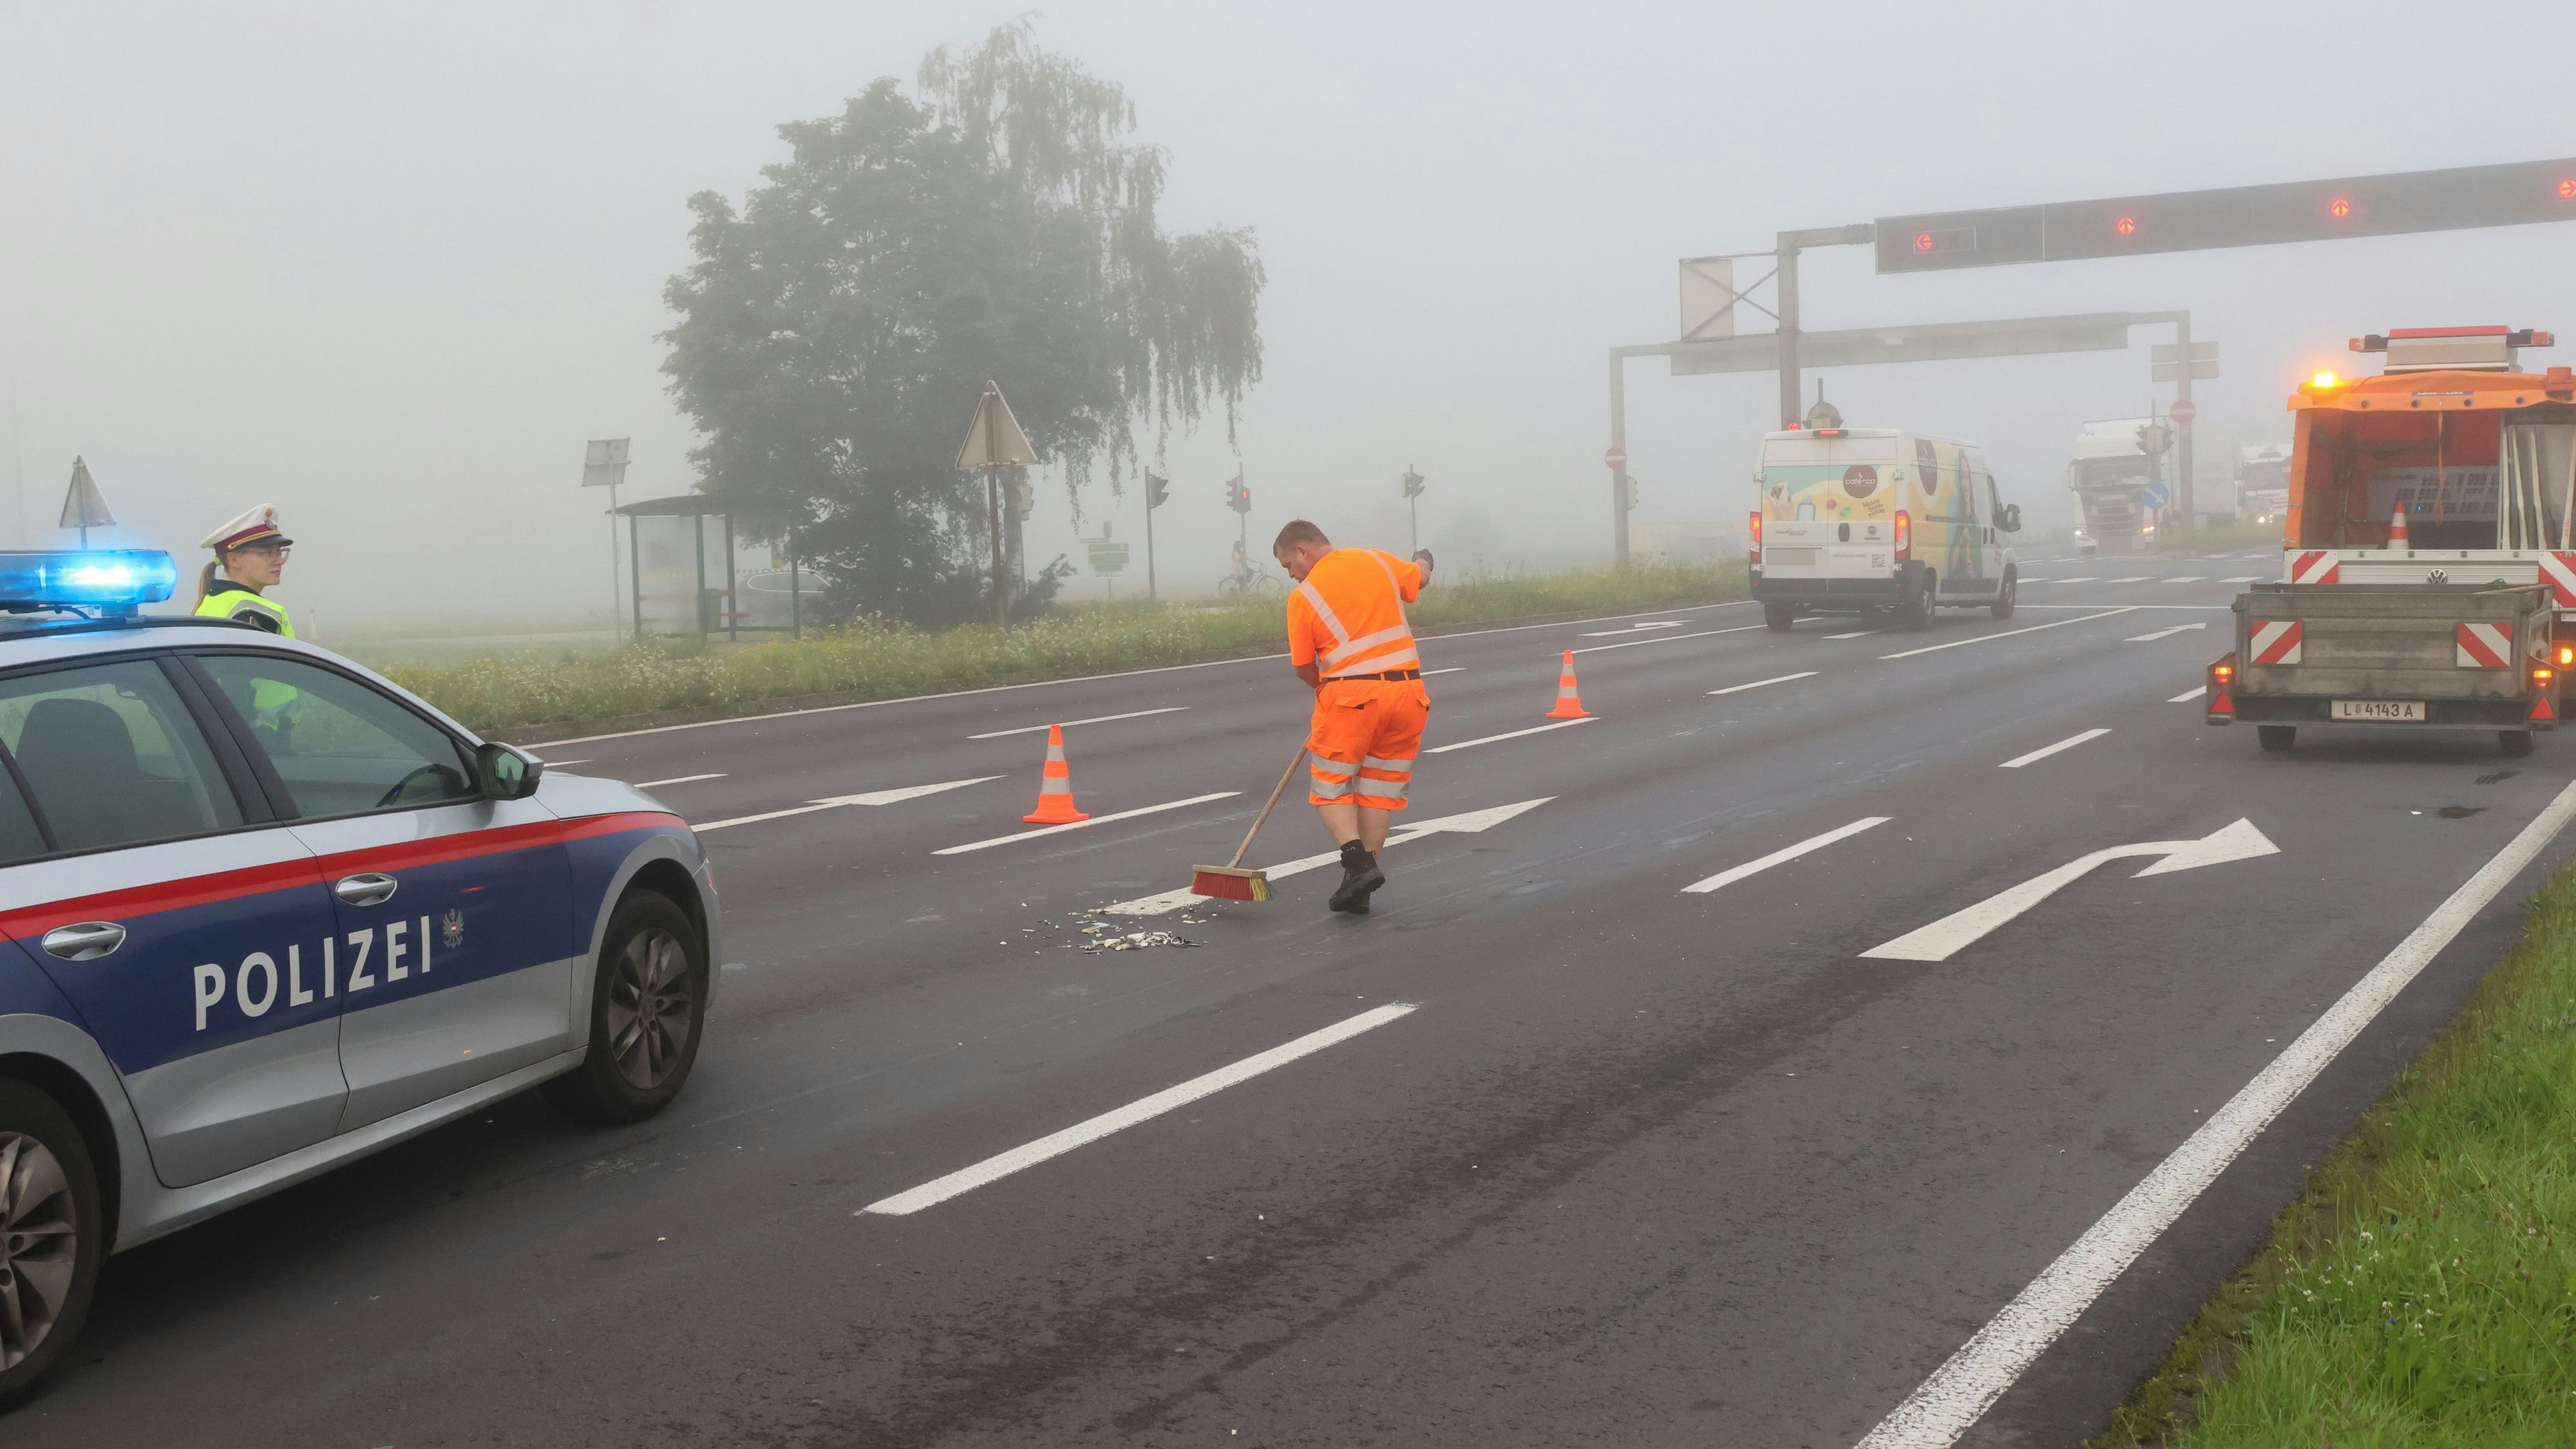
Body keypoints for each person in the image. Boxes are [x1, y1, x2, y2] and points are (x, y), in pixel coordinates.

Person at [1273, 519, 1435, 914]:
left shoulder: (1304, 596)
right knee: (1378, 791)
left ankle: (1358, 862)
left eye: (1288, 565)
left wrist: (1331, 691)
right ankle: (1359, 886)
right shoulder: (1376, 560)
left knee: (1329, 786)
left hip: (1352, 697)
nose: (1291, 575)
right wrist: (1423, 559)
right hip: (1408, 694)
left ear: (1302, 551)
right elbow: (1420, 577)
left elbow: (1303, 667)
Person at [194, 505, 296, 636]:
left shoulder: (211, 602)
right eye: (266, 553)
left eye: (279, 552)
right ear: (234, 560)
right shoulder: (256, 613)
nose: (280, 561)